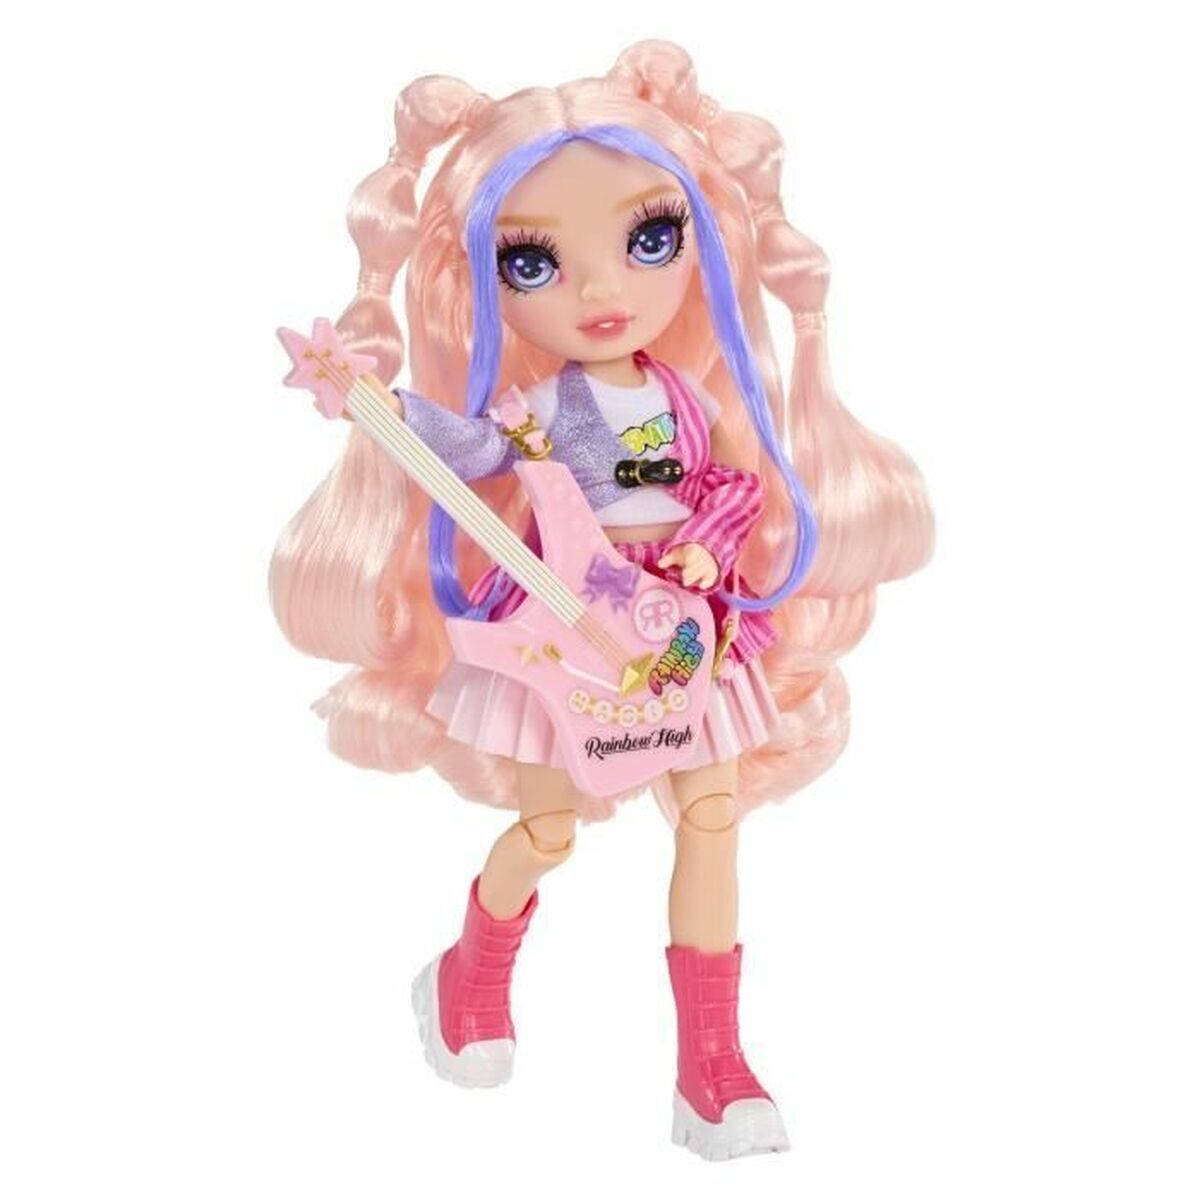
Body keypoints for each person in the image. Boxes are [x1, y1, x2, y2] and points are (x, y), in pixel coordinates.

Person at [270, 39, 933, 1161]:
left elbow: (728, 486)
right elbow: (474, 450)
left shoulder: (684, 397)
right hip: (564, 632)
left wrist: (705, 550)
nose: (601, 289)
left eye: (649, 241)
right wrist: (383, 404)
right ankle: (470, 972)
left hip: (681, 634)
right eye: (534, 261)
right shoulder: (541, 411)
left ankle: (711, 1062)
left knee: (711, 818)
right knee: (549, 827)